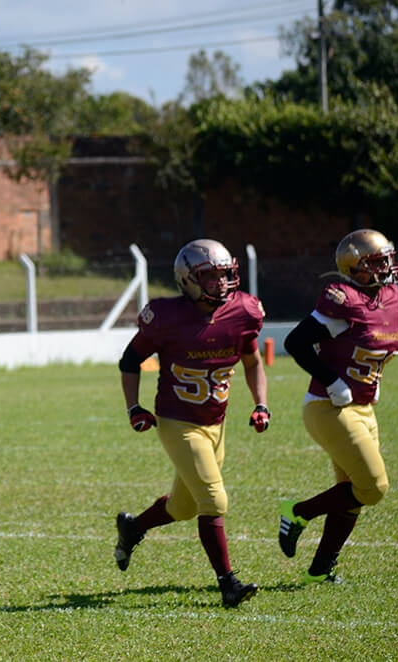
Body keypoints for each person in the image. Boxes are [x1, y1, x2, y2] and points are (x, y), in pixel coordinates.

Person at [113, 238, 270, 608]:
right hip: (177, 421)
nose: (221, 284)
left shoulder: (243, 311)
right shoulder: (167, 317)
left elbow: (252, 361)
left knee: (184, 507)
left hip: (217, 422)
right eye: (210, 277)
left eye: (224, 275)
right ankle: (228, 584)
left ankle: (133, 527)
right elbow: (129, 360)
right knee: (214, 499)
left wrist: (262, 404)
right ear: (188, 280)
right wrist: (134, 407)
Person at [279, 229, 398, 584]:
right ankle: (297, 512)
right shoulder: (342, 299)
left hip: (364, 407)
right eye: (377, 262)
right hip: (328, 407)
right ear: (354, 267)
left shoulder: (393, 298)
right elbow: (296, 342)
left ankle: (320, 570)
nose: (387, 267)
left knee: (352, 493)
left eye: (387, 259)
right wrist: (332, 380)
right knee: (373, 487)